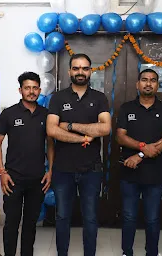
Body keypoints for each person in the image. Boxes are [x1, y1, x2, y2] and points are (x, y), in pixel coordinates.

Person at [46, 53, 111, 256]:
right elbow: (52, 130)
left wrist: (71, 126)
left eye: (84, 68)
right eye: (76, 68)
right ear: (69, 71)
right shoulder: (58, 97)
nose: (80, 72)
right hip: (63, 169)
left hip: (91, 169)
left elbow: (105, 128)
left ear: (90, 71)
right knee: (62, 217)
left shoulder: (99, 98)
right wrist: (82, 137)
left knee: (90, 218)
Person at [0, 71, 54, 256]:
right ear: (20, 90)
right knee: (11, 223)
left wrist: (50, 170)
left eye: (35, 88)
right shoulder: (9, 113)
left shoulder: (46, 114)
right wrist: (2, 172)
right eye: (27, 87)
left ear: (40, 90)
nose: (31, 91)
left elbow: (51, 144)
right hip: (13, 179)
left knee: (30, 224)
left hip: (37, 180)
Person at [116, 69, 162, 256]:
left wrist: (139, 155)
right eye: (144, 80)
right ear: (137, 84)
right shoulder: (127, 108)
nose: (148, 84)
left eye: (153, 80)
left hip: (155, 174)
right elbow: (120, 137)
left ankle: (152, 252)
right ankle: (127, 252)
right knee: (129, 217)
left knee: (152, 218)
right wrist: (143, 146)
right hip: (129, 173)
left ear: (157, 85)